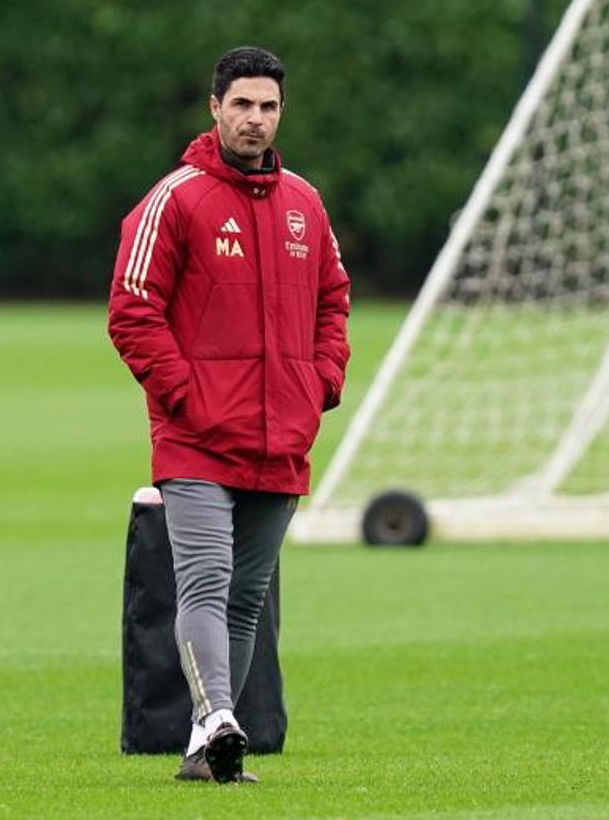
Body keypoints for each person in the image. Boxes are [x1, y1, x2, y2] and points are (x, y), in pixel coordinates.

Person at [107, 46, 351, 784]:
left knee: (246, 600)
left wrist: (320, 385)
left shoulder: (305, 202)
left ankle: (202, 751)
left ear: (282, 113)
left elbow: (333, 303)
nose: (255, 119)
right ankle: (218, 718)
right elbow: (132, 311)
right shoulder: (174, 198)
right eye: (241, 104)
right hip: (197, 442)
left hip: (281, 438)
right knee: (206, 583)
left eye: (268, 106)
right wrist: (186, 397)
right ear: (214, 107)